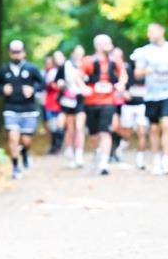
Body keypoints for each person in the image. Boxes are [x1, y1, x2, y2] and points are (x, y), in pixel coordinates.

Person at [135, 23, 168, 175]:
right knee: (154, 128)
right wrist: (145, 71)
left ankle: (166, 159)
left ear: (161, 31)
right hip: (151, 95)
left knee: (167, 124)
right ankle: (156, 159)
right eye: (148, 32)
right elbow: (137, 73)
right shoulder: (145, 51)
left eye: (152, 31)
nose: (149, 34)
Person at [0, 40, 45, 179]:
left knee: (26, 140)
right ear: (10, 53)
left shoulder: (31, 68)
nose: (16, 54)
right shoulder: (4, 69)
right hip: (11, 108)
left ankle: (25, 152)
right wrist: (2, 89)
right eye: (14, 52)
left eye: (19, 51)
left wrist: (33, 90)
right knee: (13, 138)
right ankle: (15, 167)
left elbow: (43, 84)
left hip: (29, 109)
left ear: (24, 52)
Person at [81, 35, 127, 175]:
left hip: (108, 101)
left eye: (110, 42)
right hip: (91, 101)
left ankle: (104, 162)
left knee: (105, 131)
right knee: (94, 135)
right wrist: (83, 87)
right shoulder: (88, 61)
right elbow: (78, 76)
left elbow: (123, 74)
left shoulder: (115, 60)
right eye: (107, 43)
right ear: (98, 46)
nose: (110, 45)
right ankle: (97, 152)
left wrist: (121, 84)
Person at [57, 45, 89, 169]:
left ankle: (79, 155)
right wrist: (61, 84)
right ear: (73, 53)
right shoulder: (66, 66)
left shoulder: (86, 65)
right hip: (68, 100)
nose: (79, 56)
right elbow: (57, 81)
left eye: (82, 53)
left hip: (81, 99)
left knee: (79, 127)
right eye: (77, 53)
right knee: (70, 128)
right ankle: (70, 152)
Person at [119, 47, 149, 170]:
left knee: (142, 132)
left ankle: (140, 159)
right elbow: (120, 84)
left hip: (142, 106)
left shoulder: (148, 71)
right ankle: (121, 145)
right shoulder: (127, 70)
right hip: (128, 106)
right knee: (127, 132)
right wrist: (124, 92)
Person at [42, 52, 65, 155]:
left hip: (61, 103)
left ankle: (58, 146)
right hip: (50, 103)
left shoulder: (62, 71)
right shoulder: (48, 73)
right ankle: (54, 145)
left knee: (59, 125)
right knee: (52, 126)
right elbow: (48, 86)